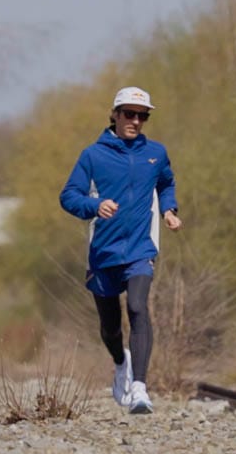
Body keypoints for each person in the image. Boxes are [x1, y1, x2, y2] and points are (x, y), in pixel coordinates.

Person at [58, 86, 181, 413]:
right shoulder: (93, 155)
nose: (136, 121)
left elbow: (166, 183)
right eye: (129, 113)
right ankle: (120, 361)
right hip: (103, 253)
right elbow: (68, 196)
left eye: (142, 116)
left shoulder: (155, 153)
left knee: (138, 307)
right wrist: (94, 205)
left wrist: (169, 210)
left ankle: (140, 388)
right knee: (110, 328)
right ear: (114, 115)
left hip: (141, 248)